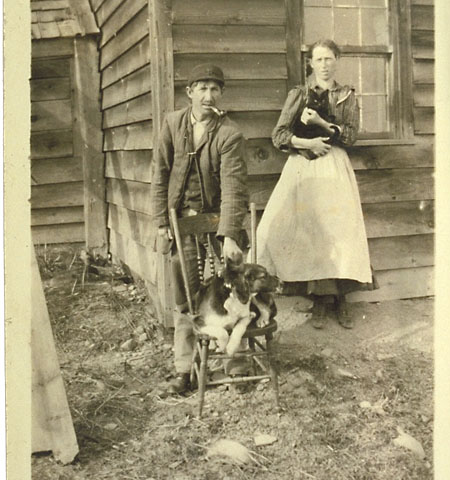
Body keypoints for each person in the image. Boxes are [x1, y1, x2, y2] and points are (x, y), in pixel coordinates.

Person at [256, 39, 373, 329]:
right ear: (310, 63)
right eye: (318, 59)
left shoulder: (346, 95)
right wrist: (306, 142)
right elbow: (279, 135)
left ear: (337, 61)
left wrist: (321, 123)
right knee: (312, 230)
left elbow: (349, 137)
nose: (324, 64)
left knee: (340, 230)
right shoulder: (299, 94)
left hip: (335, 165)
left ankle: (341, 301)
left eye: (329, 59)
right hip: (304, 166)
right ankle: (319, 300)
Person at [151, 63, 249, 393]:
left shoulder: (229, 133)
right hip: (182, 224)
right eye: (202, 88)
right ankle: (184, 369)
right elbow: (160, 174)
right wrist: (162, 222)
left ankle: (236, 362)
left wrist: (231, 234)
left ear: (221, 94)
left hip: (219, 221)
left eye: (215, 89)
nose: (208, 96)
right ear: (189, 92)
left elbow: (235, 186)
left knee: (232, 291)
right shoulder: (172, 124)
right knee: (186, 297)